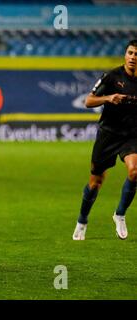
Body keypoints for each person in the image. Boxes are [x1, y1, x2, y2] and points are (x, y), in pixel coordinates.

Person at [73, 39, 137, 241]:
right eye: (130, 53)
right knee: (95, 182)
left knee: (135, 171)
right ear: (125, 55)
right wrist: (108, 98)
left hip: (131, 135)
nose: (133, 57)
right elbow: (88, 101)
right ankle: (82, 220)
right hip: (108, 134)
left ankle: (119, 214)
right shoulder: (111, 77)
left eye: (136, 54)